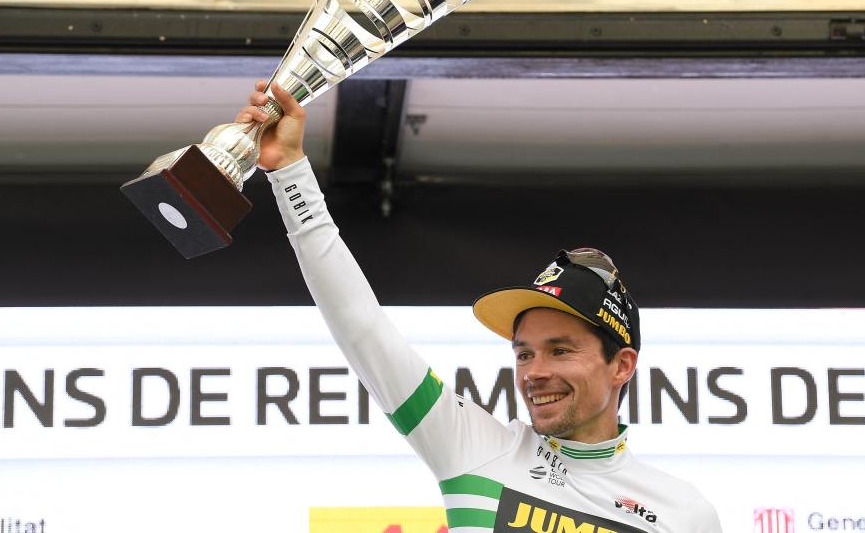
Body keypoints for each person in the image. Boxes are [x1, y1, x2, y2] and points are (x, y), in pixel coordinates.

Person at [237, 81, 723, 533]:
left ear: (622, 365)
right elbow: (362, 326)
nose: (534, 372)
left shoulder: (683, 512)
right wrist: (289, 173)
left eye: (560, 350)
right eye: (524, 353)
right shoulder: (476, 449)